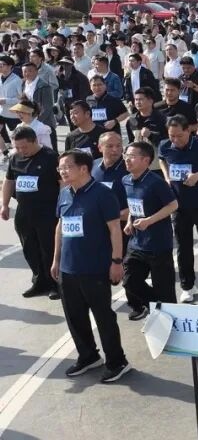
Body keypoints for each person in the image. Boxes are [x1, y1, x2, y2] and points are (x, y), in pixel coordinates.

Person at [52, 149, 131, 383]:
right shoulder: (64, 193)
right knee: (75, 316)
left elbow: (115, 229)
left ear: (84, 168)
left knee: (103, 317)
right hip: (68, 269)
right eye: (60, 168)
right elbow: (60, 226)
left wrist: (117, 261)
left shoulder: (102, 194)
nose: (62, 171)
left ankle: (117, 362)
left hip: (94, 268)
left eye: (67, 167)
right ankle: (88, 356)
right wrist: (56, 259)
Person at [159, 115, 198, 304]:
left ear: (188, 131)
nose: (175, 140)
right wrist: (167, 177)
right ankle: (187, 287)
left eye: (179, 135)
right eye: (172, 136)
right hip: (179, 206)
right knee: (183, 248)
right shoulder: (165, 146)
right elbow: (162, 160)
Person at [120, 141, 179, 320]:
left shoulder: (156, 183)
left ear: (146, 160)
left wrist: (149, 221)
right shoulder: (126, 180)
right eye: (126, 156)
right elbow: (134, 204)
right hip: (136, 243)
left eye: (132, 156)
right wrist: (130, 221)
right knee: (129, 281)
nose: (127, 160)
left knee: (165, 290)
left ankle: (170, 320)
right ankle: (157, 307)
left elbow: (173, 205)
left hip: (158, 244)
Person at [2, 125, 61, 299]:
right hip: (24, 212)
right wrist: (4, 204)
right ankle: (39, 282)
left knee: (48, 249)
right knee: (30, 249)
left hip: (47, 212)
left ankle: (55, 284)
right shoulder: (15, 158)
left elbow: (62, 184)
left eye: (24, 147)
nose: (21, 151)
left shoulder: (51, 157)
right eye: (18, 147)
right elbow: (9, 181)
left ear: (35, 141)